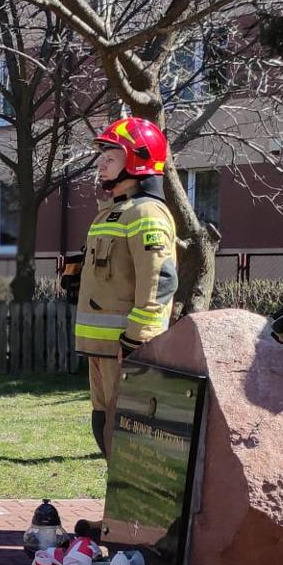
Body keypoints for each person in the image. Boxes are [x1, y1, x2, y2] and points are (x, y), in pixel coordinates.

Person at [71, 117, 178, 455]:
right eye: (101, 154)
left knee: (131, 439)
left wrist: (138, 339)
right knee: (105, 428)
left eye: (111, 156)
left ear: (137, 160)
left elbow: (160, 279)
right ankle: (117, 508)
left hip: (126, 349)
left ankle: (133, 509)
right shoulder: (113, 212)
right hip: (101, 348)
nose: (101, 162)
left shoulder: (146, 212)